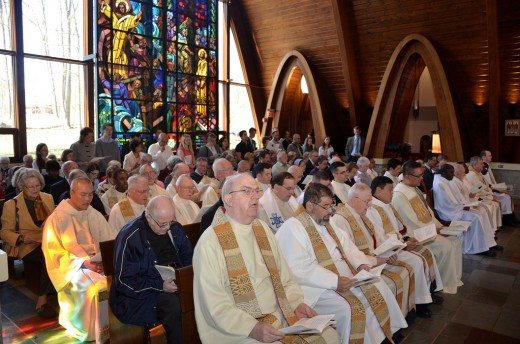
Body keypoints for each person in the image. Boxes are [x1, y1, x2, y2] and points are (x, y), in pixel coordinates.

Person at [193, 174, 340, 343]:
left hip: (279, 314)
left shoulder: (262, 229)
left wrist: (295, 304)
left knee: (330, 336)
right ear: (229, 199)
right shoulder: (210, 242)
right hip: (238, 329)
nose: (256, 196)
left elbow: (285, 277)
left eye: (256, 191)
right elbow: (214, 305)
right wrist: (252, 328)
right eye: (246, 191)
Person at [277, 183, 408, 343]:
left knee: (378, 287)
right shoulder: (292, 228)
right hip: (316, 289)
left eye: (331, 206)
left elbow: (348, 247)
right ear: (310, 205)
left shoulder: (327, 222)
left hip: (343, 276)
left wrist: (361, 264)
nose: (330, 211)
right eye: (325, 207)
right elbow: (299, 268)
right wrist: (335, 281)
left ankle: (382, 336)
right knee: (350, 308)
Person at [42, 177, 117, 342]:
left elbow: (108, 240)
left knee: (118, 279)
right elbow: (54, 253)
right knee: (96, 288)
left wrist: (104, 260)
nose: (87, 199)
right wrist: (84, 263)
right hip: (72, 268)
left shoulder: (92, 213)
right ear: (72, 193)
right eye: (83, 194)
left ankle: (115, 327)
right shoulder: (57, 218)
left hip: (96, 264)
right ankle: (90, 330)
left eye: (90, 194)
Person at [111, 195, 193, 344]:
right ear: (148, 217)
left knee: (204, 296)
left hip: (176, 282)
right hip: (145, 293)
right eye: (162, 224)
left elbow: (189, 258)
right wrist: (159, 286)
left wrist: (187, 277)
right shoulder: (130, 237)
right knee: (175, 306)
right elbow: (124, 281)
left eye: (171, 221)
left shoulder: (174, 228)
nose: (168, 227)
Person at [330, 184, 417, 318]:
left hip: (375, 260)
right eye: (367, 201)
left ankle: (403, 316)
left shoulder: (361, 214)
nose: (370, 205)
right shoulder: (341, 219)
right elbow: (349, 253)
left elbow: (378, 238)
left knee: (406, 271)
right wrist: (380, 260)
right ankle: (391, 324)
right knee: (388, 284)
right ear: (354, 200)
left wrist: (391, 251)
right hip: (361, 267)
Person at [366, 176, 444, 302]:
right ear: (378, 190)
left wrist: (407, 238)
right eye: (390, 190)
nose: (392, 193)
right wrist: (403, 244)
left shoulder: (387, 205)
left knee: (426, 253)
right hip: (388, 251)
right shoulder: (372, 209)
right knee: (417, 261)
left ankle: (430, 291)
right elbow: (381, 238)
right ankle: (420, 301)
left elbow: (398, 229)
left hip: (399, 244)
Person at [391, 161, 463, 294]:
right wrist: (434, 231)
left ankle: (453, 279)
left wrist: (439, 226)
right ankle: (443, 283)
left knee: (456, 240)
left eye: (422, 175)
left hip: (429, 229)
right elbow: (411, 222)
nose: (422, 178)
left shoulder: (414, 188)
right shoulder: (399, 195)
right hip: (418, 235)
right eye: (418, 176)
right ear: (407, 176)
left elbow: (427, 212)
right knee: (446, 246)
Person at [1, 168, 56, 318]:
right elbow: (4, 232)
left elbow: (55, 221)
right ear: (21, 187)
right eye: (31, 187)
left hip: (48, 240)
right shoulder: (11, 205)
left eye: (38, 186)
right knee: (48, 256)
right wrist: (21, 238)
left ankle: (63, 290)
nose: (35, 189)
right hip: (28, 245)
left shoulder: (48, 198)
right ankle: (42, 297)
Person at [433, 164, 497, 256]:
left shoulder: (444, 181)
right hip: (449, 213)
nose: (453, 174)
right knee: (475, 217)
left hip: (455, 209)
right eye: (451, 173)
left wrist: (464, 205)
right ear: (444, 173)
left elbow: (454, 199)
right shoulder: (440, 184)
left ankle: (489, 243)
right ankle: (477, 248)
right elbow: (444, 204)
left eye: (453, 172)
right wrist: (462, 206)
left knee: (481, 213)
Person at [453, 162, 502, 232]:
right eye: (463, 172)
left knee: (487, 208)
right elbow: (461, 197)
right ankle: (488, 231)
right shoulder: (456, 181)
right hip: (469, 203)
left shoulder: (463, 178)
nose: (465, 174)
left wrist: (473, 194)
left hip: (473, 200)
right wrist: (471, 197)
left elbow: (471, 190)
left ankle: (491, 230)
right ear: (457, 173)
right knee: (485, 209)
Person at [466, 156, 514, 224]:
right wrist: (490, 196)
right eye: (481, 163)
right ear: (474, 165)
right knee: (495, 204)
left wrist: (491, 193)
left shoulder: (478, 173)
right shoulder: (471, 175)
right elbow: (478, 190)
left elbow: (485, 186)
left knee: (504, 198)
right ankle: (498, 223)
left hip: (486, 194)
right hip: (480, 198)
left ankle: (504, 220)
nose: (483, 165)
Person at [199, 158, 236, 233]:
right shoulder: (212, 191)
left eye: (232, 168)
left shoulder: (234, 187)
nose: (232, 172)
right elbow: (213, 217)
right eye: (228, 170)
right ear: (219, 174)